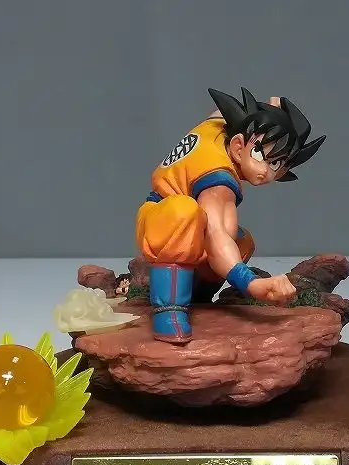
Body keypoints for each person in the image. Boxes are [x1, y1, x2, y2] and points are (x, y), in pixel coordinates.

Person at [135, 87, 326, 343]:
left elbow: (222, 114)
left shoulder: (218, 126)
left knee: (242, 240)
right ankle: (169, 310)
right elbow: (217, 234)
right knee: (188, 214)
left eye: (276, 164)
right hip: (160, 218)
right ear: (237, 146)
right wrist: (251, 283)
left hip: (176, 223)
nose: (265, 172)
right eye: (260, 155)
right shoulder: (219, 181)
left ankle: (197, 296)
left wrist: (272, 114)